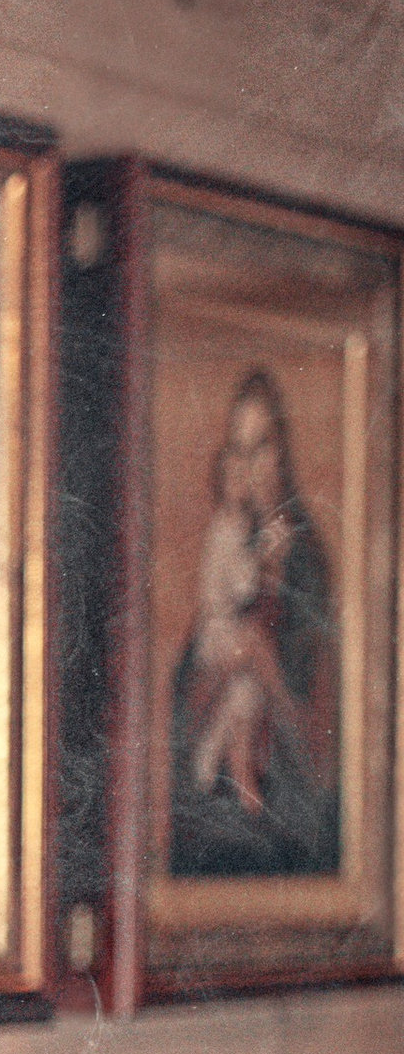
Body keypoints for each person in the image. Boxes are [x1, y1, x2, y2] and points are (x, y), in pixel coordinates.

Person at [168, 365, 339, 881]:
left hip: (289, 817)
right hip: (215, 820)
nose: (252, 465)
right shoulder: (230, 543)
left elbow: (324, 722)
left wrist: (264, 667)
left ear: (283, 450)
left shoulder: (307, 559)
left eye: (262, 445)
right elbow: (184, 686)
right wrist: (224, 663)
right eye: (240, 450)